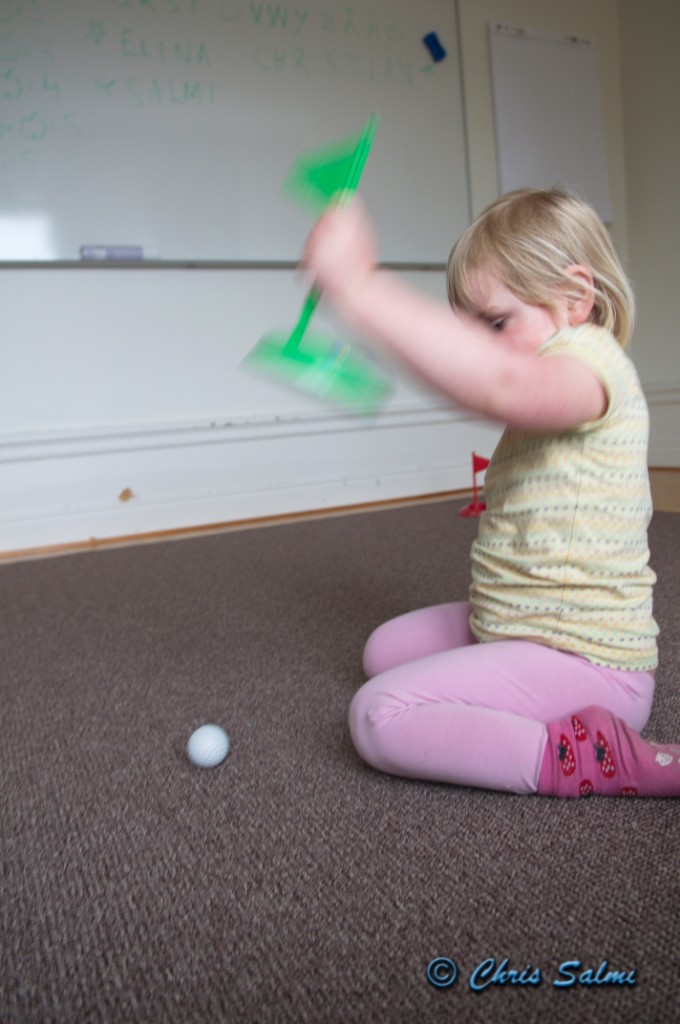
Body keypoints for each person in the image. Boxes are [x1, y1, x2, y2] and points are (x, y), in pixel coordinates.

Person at [302, 187, 679, 798]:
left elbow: (500, 381)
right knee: (382, 650)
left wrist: (363, 288)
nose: (481, 343)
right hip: (518, 624)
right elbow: (475, 377)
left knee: (378, 714)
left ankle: (590, 759)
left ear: (576, 298)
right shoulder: (552, 367)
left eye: (496, 323)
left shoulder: (590, 368)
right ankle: (504, 689)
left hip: (588, 665)